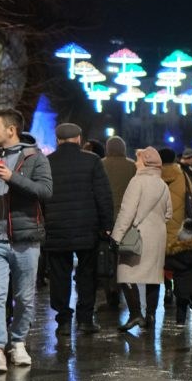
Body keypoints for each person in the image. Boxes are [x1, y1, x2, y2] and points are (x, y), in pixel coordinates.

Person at [0, 109, 53, 374]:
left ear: (11, 130)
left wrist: (13, 178)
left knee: (24, 297)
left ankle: (18, 341)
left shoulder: (35, 157)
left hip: (25, 238)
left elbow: (45, 191)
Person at [43, 122, 114, 337]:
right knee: (87, 274)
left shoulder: (47, 162)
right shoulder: (92, 161)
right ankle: (85, 319)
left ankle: (63, 321)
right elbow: (103, 195)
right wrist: (107, 225)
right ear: (79, 139)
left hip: (56, 227)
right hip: (87, 227)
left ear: (58, 140)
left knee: (59, 275)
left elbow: (41, 195)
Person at [111, 147, 171, 333]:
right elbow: (168, 214)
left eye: (138, 160)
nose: (136, 163)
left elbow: (126, 212)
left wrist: (117, 236)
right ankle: (151, 316)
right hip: (157, 236)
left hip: (138, 236)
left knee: (125, 274)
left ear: (145, 162)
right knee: (153, 277)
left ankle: (136, 314)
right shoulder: (162, 185)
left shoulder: (137, 182)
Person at [101, 136, 136, 312]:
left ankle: (111, 293)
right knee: (124, 258)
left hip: (106, 219)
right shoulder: (132, 166)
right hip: (127, 220)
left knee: (107, 258)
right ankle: (126, 292)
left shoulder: (101, 164)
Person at [161, 148, 192, 308]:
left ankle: (167, 288)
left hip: (159, 226)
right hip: (179, 226)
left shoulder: (153, 176)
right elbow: (191, 197)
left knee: (162, 261)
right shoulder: (183, 175)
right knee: (178, 260)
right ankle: (179, 290)